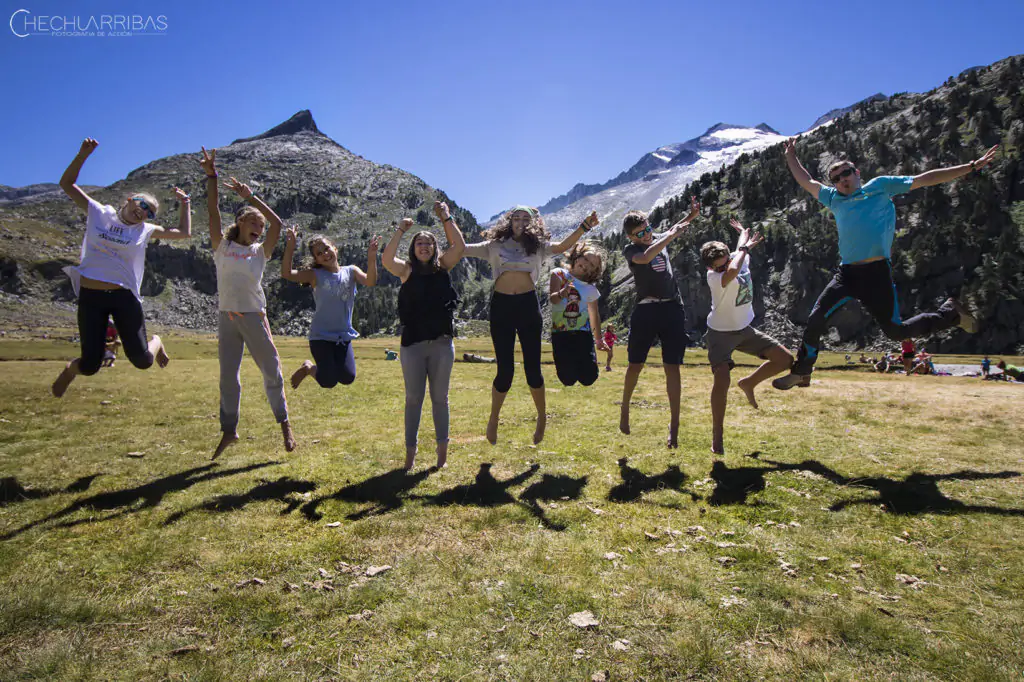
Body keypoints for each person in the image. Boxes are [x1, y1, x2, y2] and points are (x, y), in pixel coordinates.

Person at [773, 139, 998, 390]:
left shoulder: (879, 187)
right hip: (846, 274)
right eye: (835, 178)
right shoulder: (833, 198)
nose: (842, 180)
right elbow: (806, 180)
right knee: (815, 318)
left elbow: (925, 178)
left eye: (846, 173)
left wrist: (971, 166)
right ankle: (803, 371)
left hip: (876, 273)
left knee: (896, 332)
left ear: (856, 173)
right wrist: (790, 155)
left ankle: (950, 314)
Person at [52, 138, 190, 398]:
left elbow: (183, 233)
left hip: (124, 296)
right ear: (129, 200)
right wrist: (83, 155)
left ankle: (157, 342)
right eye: (142, 205)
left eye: (150, 212)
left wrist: (186, 204)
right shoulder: (98, 213)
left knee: (142, 360)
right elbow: (66, 185)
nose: (144, 212)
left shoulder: (145, 230)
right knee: (91, 364)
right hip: (91, 297)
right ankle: (70, 371)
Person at [462, 206, 595, 445]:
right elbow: (462, 249)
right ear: (509, 220)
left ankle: (542, 417)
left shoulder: (538, 247)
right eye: (517, 217)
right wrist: (447, 221)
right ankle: (493, 418)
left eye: (526, 218)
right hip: (501, 307)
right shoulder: (493, 245)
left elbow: (563, 247)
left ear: (533, 223)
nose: (521, 221)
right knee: (505, 372)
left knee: (532, 369)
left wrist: (584, 226)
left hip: (527, 306)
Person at [200, 147, 295, 460]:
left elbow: (278, 224)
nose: (260, 227)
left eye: (261, 226)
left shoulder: (260, 252)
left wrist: (251, 196)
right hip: (227, 317)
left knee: (272, 370)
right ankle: (229, 430)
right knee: (228, 376)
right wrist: (212, 176)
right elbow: (213, 211)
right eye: (254, 222)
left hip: (254, 316)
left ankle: (284, 423)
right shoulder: (222, 246)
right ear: (240, 222)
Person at [381, 202, 465, 471]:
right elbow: (385, 260)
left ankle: (442, 456)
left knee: (440, 399)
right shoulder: (406, 271)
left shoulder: (443, 267)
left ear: (435, 248)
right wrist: (400, 230)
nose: (424, 246)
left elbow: (459, 247)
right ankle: (410, 456)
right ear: (413, 248)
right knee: (413, 399)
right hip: (413, 345)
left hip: (442, 343)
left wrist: (446, 218)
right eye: (419, 243)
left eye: (429, 243)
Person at [701, 219, 794, 455]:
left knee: (785, 359)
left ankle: (749, 382)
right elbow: (732, 270)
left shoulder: (738, 258)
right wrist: (743, 248)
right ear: (711, 268)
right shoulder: (715, 277)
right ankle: (717, 437)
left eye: (725, 263)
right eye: (718, 267)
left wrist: (743, 234)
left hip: (745, 329)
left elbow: (739, 251)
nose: (724, 269)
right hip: (720, 334)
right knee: (722, 380)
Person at [618, 198, 701, 448]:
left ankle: (673, 427)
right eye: (640, 233)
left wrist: (691, 216)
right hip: (646, 310)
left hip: (672, 308)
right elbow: (645, 258)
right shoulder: (631, 250)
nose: (646, 234)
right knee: (635, 364)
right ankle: (624, 408)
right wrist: (667, 237)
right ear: (631, 237)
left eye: (647, 228)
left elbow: (677, 226)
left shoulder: (656, 236)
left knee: (672, 366)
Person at [283, 228, 379, 390]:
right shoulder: (314, 275)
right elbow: (286, 273)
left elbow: (370, 281)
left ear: (334, 248)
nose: (325, 254)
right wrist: (291, 246)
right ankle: (309, 368)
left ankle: (313, 368)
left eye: (326, 248)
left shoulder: (351, 271)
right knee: (328, 381)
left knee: (348, 377)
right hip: (321, 336)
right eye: (319, 253)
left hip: (342, 335)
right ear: (317, 260)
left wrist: (371, 257)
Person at [549, 240, 609, 387]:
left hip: (583, 334)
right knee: (567, 379)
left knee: (589, 378)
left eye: (592, 264)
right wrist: (562, 293)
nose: (587, 263)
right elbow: (553, 299)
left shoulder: (590, 289)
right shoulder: (559, 274)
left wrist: (599, 340)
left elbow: (594, 314)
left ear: (593, 272)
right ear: (577, 255)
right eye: (586, 258)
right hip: (560, 333)